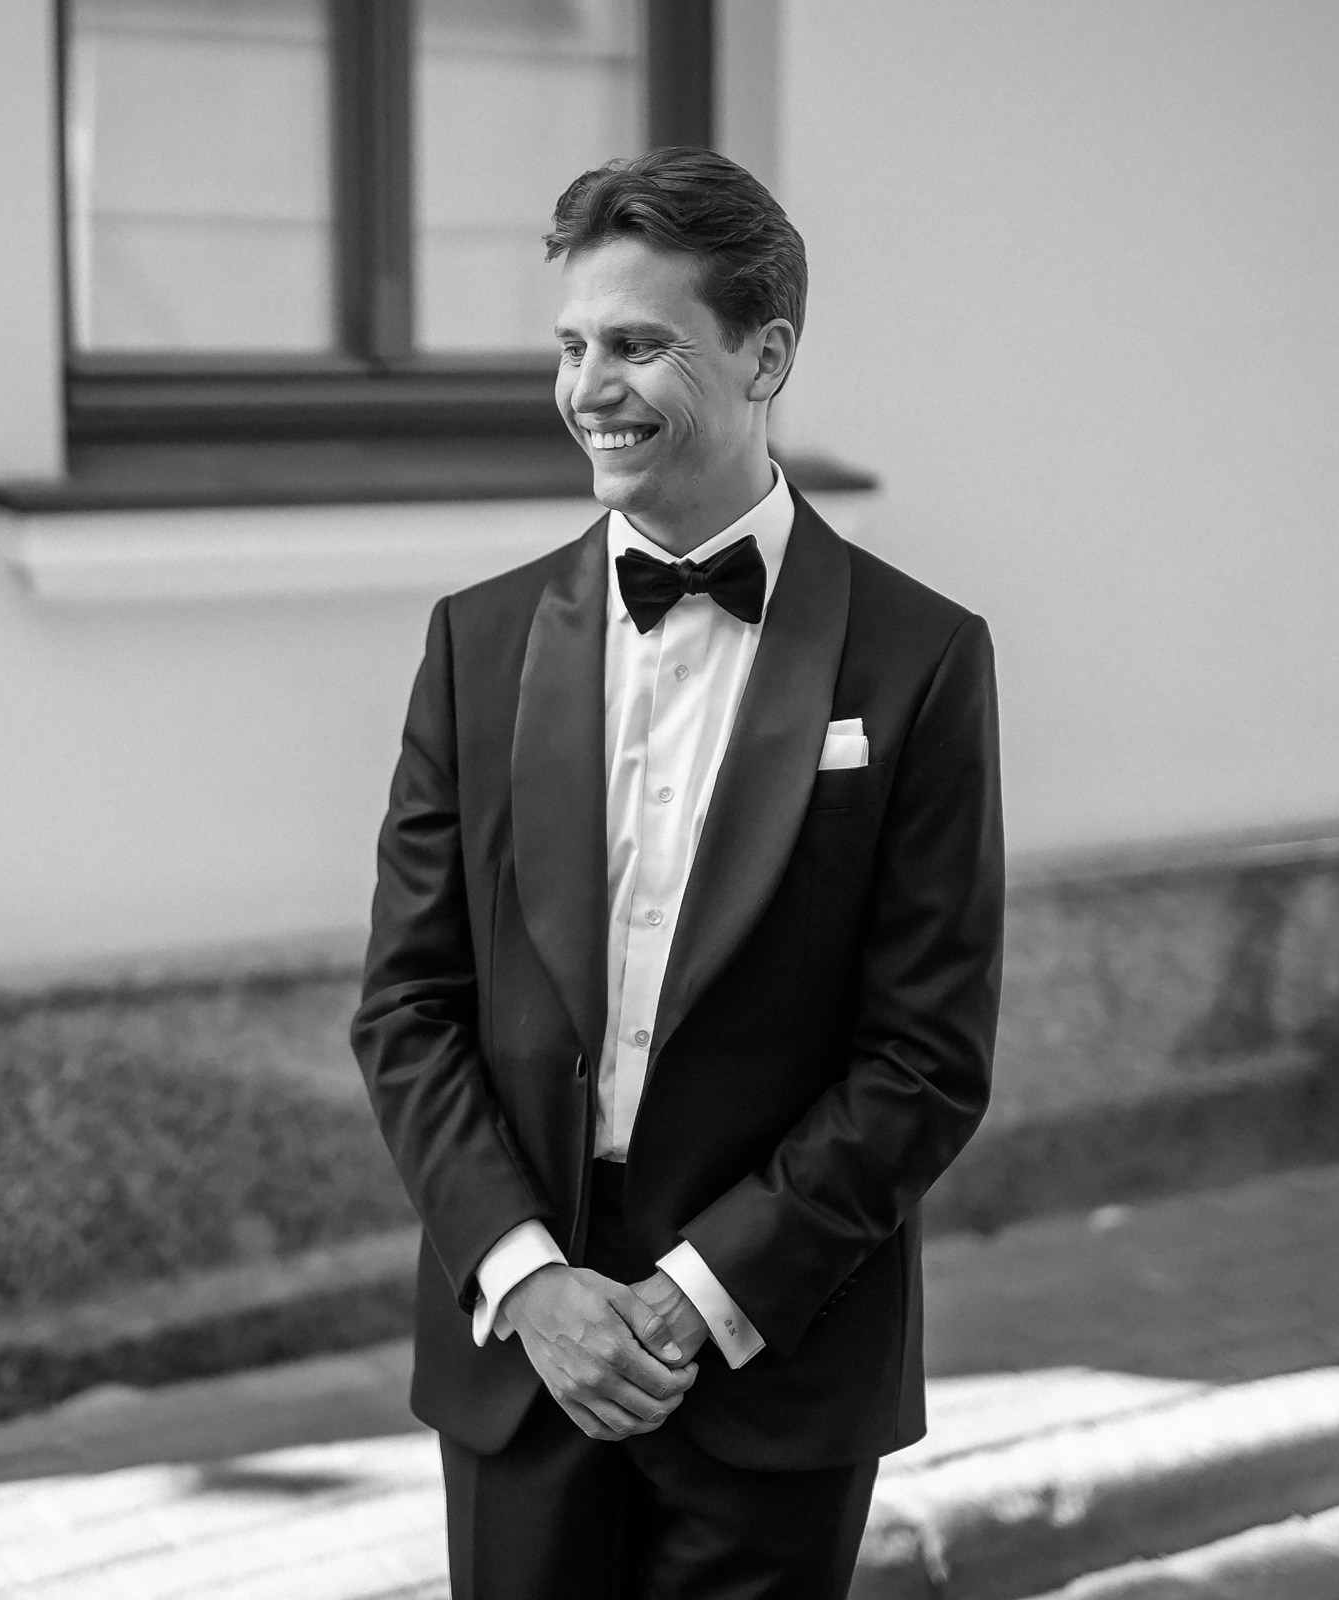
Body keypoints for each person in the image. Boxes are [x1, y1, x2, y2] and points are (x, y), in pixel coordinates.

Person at [352, 148, 1003, 1598]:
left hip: (778, 1352)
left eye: (641, 344)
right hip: (525, 1362)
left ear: (767, 354)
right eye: (574, 345)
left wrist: (695, 1301)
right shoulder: (478, 643)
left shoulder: (922, 659)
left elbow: (926, 1057)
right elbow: (406, 1007)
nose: (592, 386)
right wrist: (529, 1284)